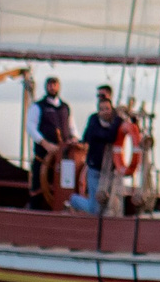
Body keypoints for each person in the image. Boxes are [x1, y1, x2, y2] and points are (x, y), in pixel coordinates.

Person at [69, 84, 127, 216]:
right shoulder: (94, 121)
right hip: (95, 170)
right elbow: (108, 137)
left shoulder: (116, 122)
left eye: (107, 109)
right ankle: (74, 200)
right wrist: (118, 120)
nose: (105, 111)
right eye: (102, 109)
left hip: (112, 171)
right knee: (95, 209)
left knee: (113, 204)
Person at [28, 75, 76, 205]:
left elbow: (71, 127)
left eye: (55, 84)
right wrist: (45, 144)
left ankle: (62, 206)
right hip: (43, 157)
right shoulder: (38, 107)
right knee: (39, 186)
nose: (52, 87)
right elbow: (31, 127)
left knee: (63, 185)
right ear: (46, 87)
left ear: (59, 87)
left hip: (62, 158)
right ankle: (37, 210)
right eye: (50, 85)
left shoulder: (65, 108)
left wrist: (74, 140)